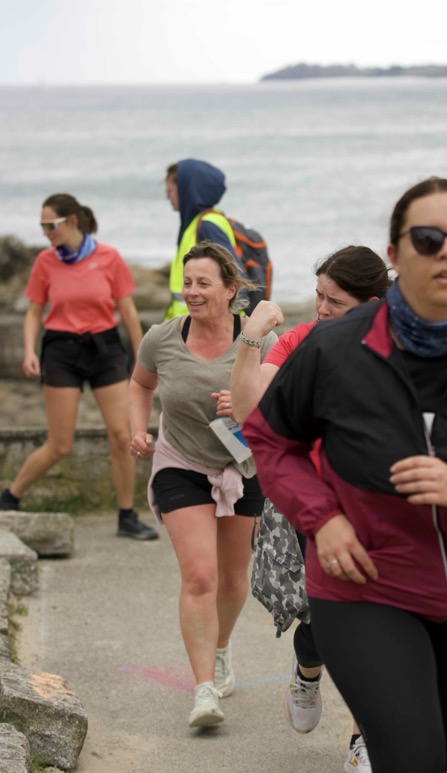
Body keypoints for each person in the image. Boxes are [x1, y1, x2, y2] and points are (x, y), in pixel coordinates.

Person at [243, 178, 447, 773]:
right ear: (395, 255)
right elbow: (272, 440)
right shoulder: (335, 348)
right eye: (427, 238)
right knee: (411, 758)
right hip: (363, 586)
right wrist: (322, 521)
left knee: (430, 757)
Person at [229, 245, 390, 772]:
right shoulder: (299, 341)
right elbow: (249, 412)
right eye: (318, 295)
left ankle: (364, 740)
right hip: (314, 507)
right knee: (326, 623)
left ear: (372, 305)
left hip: (382, 509)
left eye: (334, 301)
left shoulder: (401, 349)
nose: (321, 308)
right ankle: (307, 671)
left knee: (375, 626)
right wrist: (251, 337)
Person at [128, 241, 278, 728]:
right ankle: (203, 690)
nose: (191, 292)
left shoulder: (258, 340)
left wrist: (247, 404)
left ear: (230, 290)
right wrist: (137, 428)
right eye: (187, 282)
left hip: (244, 464)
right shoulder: (162, 338)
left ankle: (220, 647)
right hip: (181, 462)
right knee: (199, 576)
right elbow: (140, 384)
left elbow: (282, 403)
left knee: (233, 579)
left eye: (203, 283)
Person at [0, 194, 156, 540]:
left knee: (122, 436)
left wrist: (143, 357)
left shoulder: (109, 257)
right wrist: (28, 351)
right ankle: (9, 497)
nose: (45, 233)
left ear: (72, 222)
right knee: (60, 444)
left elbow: (127, 311)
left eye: (50, 225)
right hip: (61, 350)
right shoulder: (45, 262)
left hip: (104, 347)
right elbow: (33, 312)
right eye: (41, 226)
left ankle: (127, 516)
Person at [163, 159, 238, 320]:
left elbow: (234, 276)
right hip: (191, 325)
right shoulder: (194, 224)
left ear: (186, 190)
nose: (167, 195)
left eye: (170, 190)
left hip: (206, 325)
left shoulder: (207, 225)